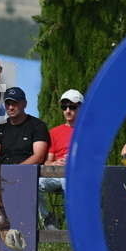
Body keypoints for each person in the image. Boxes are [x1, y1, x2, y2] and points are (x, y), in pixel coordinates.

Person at [38, 89, 83, 229]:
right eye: (64, 107)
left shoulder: (89, 132)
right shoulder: (54, 132)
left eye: (72, 106)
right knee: (33, 184)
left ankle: (74, 226)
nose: (67, 110)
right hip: (56, 175)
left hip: (78, 176)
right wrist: (55, 163)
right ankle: (48, 219)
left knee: (68, 180)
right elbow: (46, 162)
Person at [0, 86, 50, 165]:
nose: (11, 107)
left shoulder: (38, 126)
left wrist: (17, 169)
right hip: (2, 171)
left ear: (25, 104)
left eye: (14, 103)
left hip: (29, 171)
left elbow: (39, 157)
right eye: (8, 104)